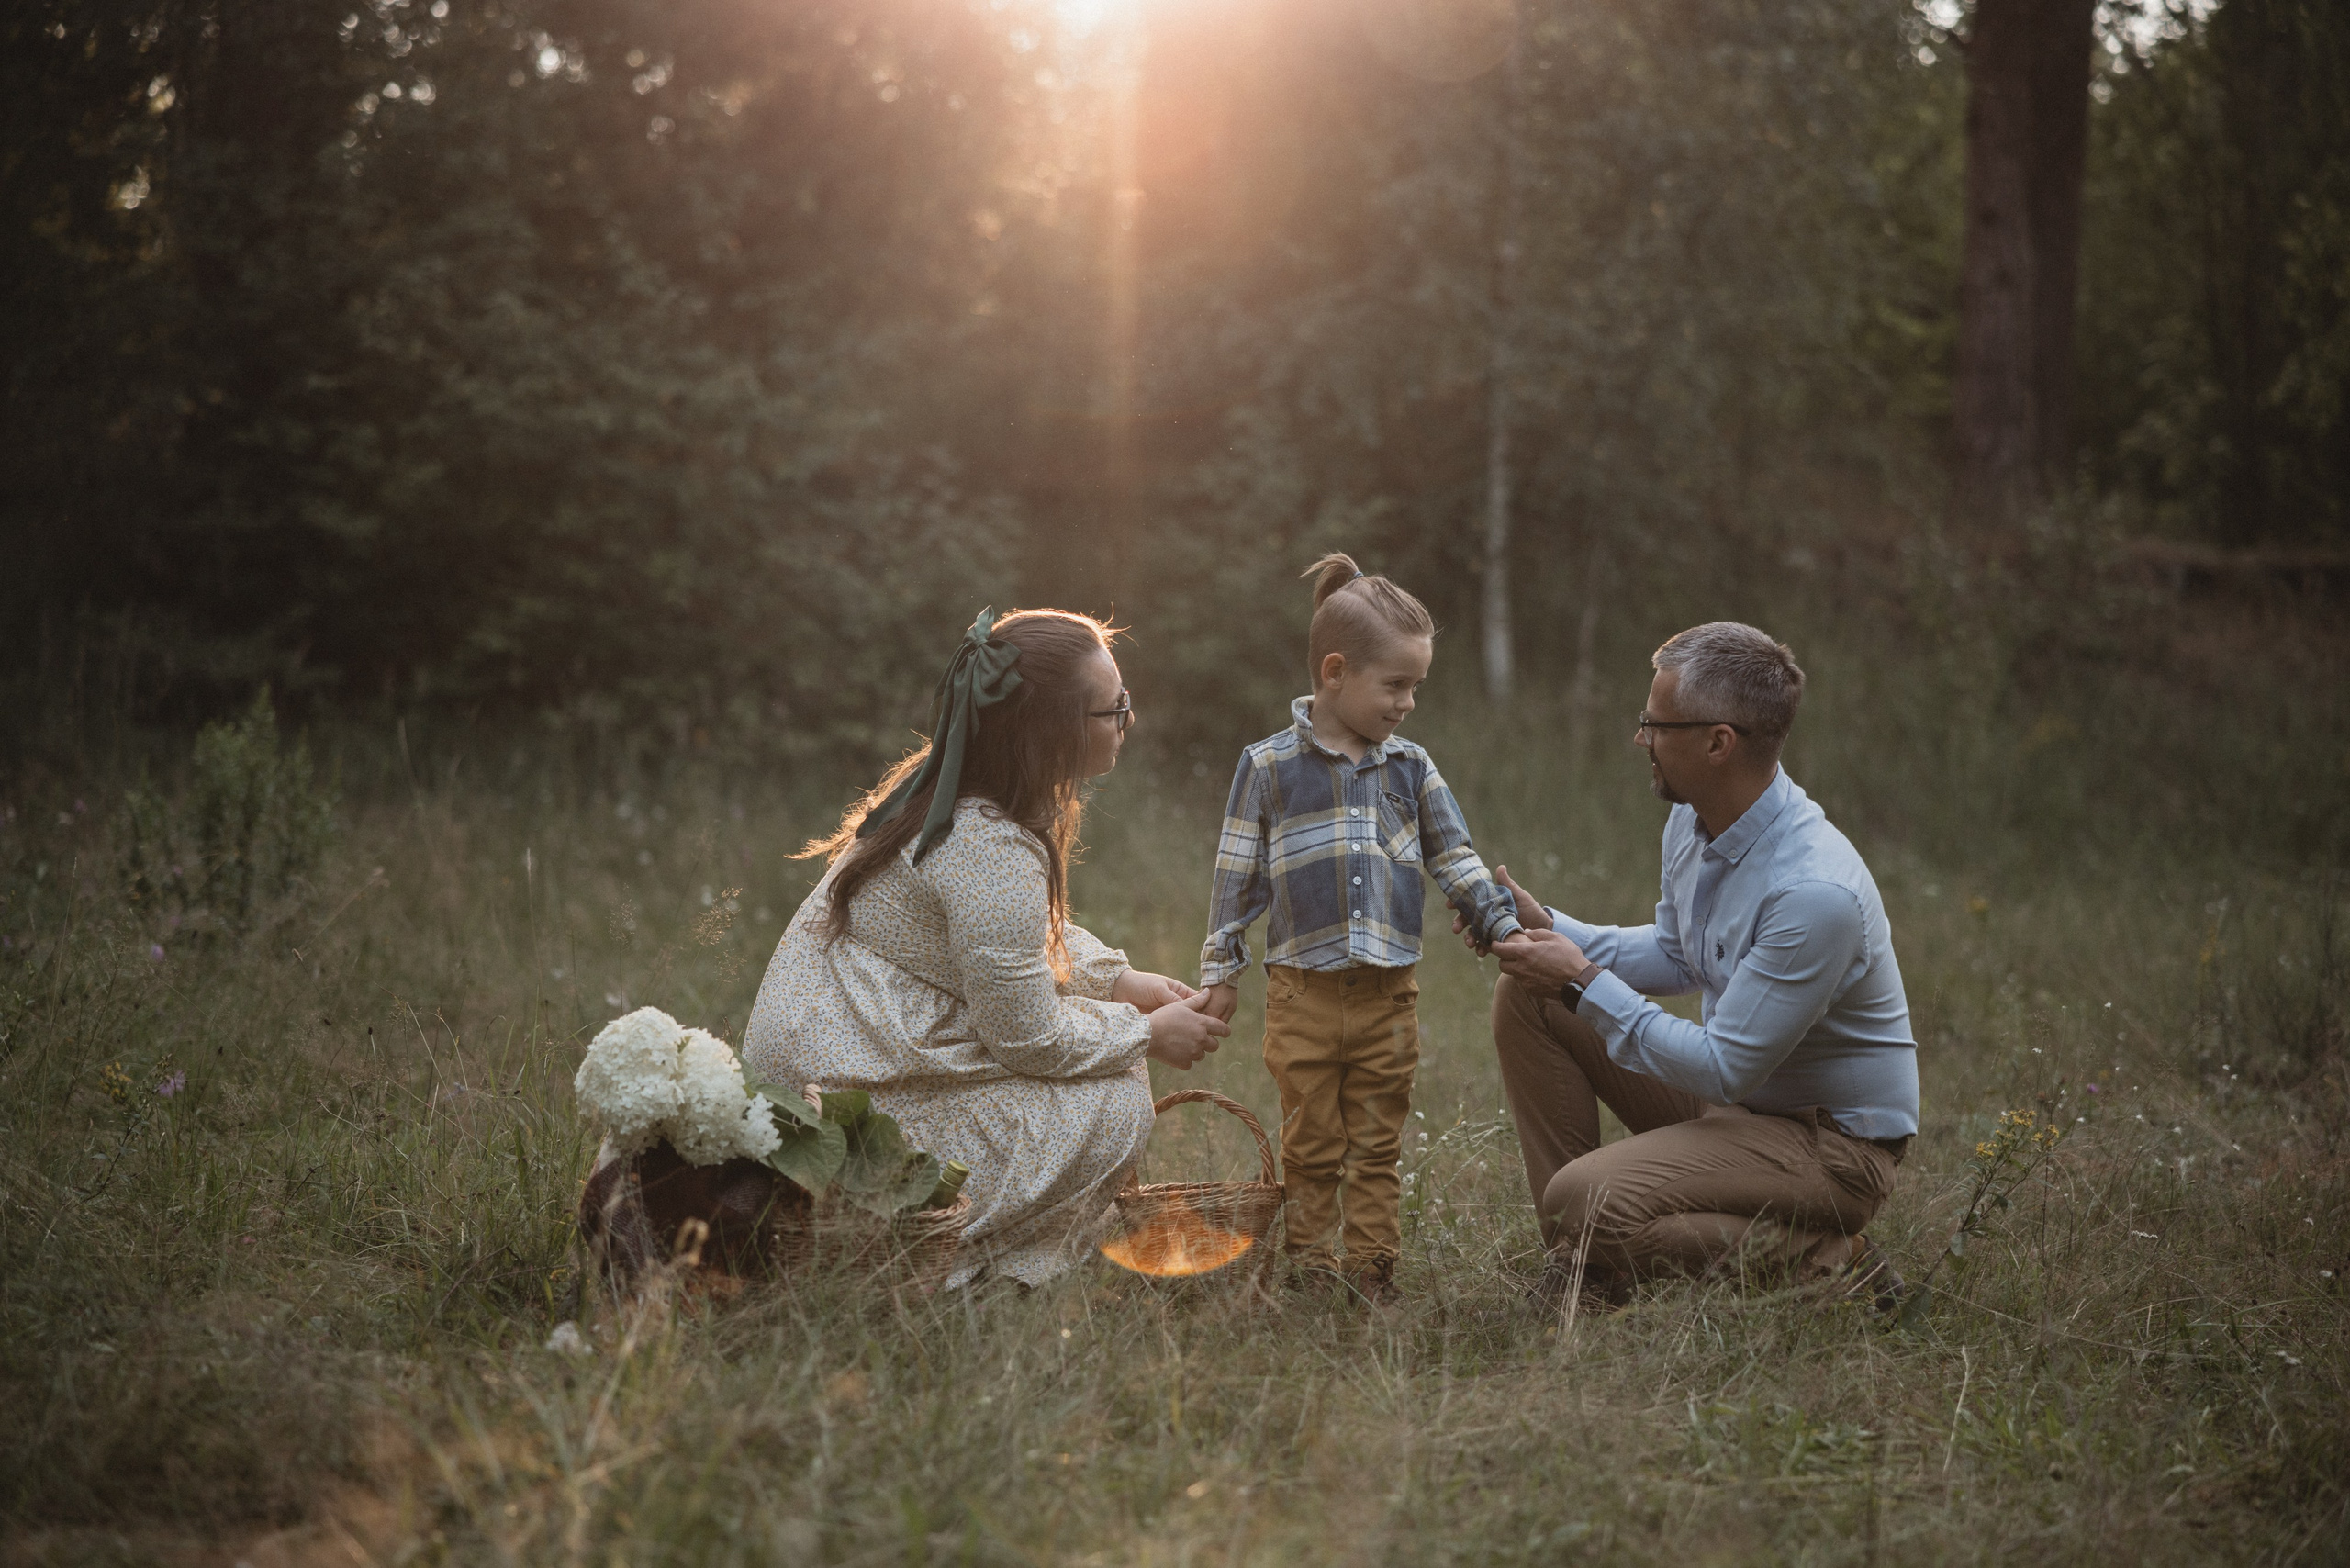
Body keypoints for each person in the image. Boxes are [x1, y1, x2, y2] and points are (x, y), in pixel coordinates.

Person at [744, 608, 1229, 1289]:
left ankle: (954, 1256)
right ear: (1052, 733)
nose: (1128, 718)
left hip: (824, 1080)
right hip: (836, 1120)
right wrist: (1145, 1034)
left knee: (1100, 1067)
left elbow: (997, 939)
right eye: (1114, 708)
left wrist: (1115, 982)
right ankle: (936, 1267)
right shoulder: (988, 846)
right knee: (1117, 1098)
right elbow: (1028, 1038)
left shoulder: (933, 792)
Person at [1466, 622, 1917, 1309]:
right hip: (1742, 1108)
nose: (1640, 737)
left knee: (1579, 1199)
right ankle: (1581, 1267)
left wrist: (1582, 981)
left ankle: (1831, 1263)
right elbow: (1679, 954)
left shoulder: (1814, 894)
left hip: (1831, 1148)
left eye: (1655, 723)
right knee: (1530, 996)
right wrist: (1551, 932)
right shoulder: (1697, 816)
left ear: (1717, 743)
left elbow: (1725, 1066)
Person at [1198, 554, 1524, 1301]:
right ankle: (1313, 1267)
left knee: (1376, 1141)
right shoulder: (1268, 767)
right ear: (1336, 672)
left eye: (1416, 687)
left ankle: (1372, 1268)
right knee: (1312, 1141)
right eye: (1396, 685)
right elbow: (1235, 877)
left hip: (1386, 996)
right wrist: (1221, 971)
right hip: (1302, 995)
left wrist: (1500, 924)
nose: (1408, 703)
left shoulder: (1410, 766)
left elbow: (1456, 856)